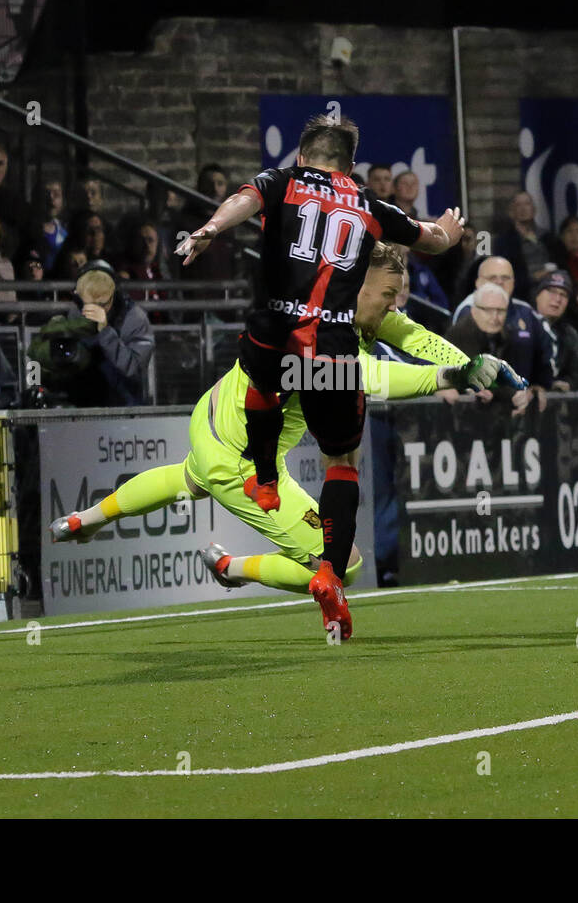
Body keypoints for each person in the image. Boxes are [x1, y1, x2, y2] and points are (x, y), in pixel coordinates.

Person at [50, 244, 523, 638]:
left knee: (188, 477)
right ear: (356, 287)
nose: (394, 307)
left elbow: (415, 336)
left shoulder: (331, 304)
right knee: (346, 562)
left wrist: (476, 365)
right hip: (241, 459)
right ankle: (231, 568)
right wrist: (452, 376)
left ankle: (84, 519)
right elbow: (371, 376)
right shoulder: (315, 338)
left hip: (215, 415)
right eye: (387, 296)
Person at [174, 114, 464, 618]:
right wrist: (450, 232)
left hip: (274, 336)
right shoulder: (371, 206)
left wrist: (209, 229)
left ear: (301, 158)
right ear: (351, 167)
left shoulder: (282, 182)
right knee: (341, 464)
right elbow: (430, 238)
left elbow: (244, 200)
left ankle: (263, 478)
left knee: (263, 383)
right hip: (331, 349)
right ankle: (330, 574)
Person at [28, 260, 154, 407]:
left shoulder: (134, 318)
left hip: (125, 406)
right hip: (82, 404)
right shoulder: (76, 313)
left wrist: (105, 331)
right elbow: (58, 361)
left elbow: (133, 368)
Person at [446, 282, 549, 413]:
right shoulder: (462, 333)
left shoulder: (506, 335)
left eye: (500, 311)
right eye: (488, 310)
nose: (495, 317)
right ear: (474, 310)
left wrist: (528, 391)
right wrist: (510, 393)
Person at [533, 269, 578, 391]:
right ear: (537, 295)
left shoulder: (569, 334)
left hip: (556, 405)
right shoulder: (520, 326)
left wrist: (566, 384)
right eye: (552, 291)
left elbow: (576, 374)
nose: (557, 299)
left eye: (563, 295)